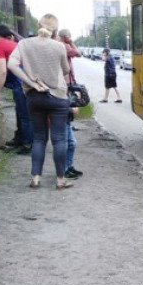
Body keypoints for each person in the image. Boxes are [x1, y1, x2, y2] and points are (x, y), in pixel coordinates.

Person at [7, 14, 73, 189]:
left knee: (39, 138)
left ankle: (36, 178)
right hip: (57, 96)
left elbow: (11, 65)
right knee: (59, 139)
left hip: (34, 97)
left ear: (38, 25)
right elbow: (66, 71)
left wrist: (30, 82)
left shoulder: (23, 44)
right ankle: (60, 180)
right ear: (55, 29)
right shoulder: (59, 46)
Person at [0, 24, 32, 154]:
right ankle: (20, 139)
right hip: (22, 82)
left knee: (25, 115)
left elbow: (2, 71)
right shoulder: (6, 43)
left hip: (21, 83)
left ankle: (27, 144)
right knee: (20, 113)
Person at [58, 29, 83, 179]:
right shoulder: (63, 46)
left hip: (65, 88)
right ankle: (65, 169)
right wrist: (70, 41)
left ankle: (68, 167)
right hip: (63, 89)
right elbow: (78, 53)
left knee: (70, 141)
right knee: (67, 141)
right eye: (68, 36)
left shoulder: (59, 45)